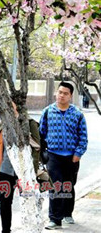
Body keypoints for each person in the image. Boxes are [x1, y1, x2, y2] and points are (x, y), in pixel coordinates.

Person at [0, 102, 43, 233]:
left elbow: (37, 148)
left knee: (28, 201)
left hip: (24, 171)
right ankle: (6, 230)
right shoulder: (5, 122)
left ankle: (30, 228)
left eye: (11, 104)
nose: (8, 107)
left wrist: (33, 172)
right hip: (6, 168)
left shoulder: (30, 123)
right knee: (4, 201)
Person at [40, 82, 88, 230]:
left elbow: (83, 136)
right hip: (53, 156)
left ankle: (67, 212)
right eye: (60, 92)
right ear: (56, 93)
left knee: (68, 186)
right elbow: (41, 134)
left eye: (65, 93)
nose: (61, 95)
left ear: (70, 96)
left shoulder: (77, 114)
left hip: (72, 157)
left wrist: (78, 154)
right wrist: (43, 155)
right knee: (55, 187)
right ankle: (54, 219)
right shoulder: (48, 111)